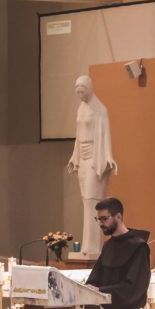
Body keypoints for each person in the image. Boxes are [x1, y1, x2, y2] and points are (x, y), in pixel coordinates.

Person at [67, 75, 117, 256]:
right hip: (83, 157)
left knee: (92, 200)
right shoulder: (81, 108)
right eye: (78, 93)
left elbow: (105, 135)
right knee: (85, 201)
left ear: (89, 89)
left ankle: (93, 246)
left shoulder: (100, 109)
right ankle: (87, 246)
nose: (80, 96)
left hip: (95, 158)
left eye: (83, 92)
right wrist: (75, 156)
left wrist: (108, 156)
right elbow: (78, 135)